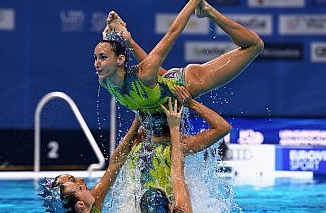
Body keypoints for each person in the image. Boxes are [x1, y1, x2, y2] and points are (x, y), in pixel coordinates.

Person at [40, 87, 231, 213]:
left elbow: (115, 163)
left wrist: (137, 120)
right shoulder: (178, 147)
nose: (82, 181)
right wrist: (189, 105)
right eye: (77, 184)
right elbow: (177, 172)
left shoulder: (137, 148)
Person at [95, 0, 264, 119]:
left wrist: (195, 2)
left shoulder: (142, 74)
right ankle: (127, 37)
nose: (97, 63)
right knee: (154, 76)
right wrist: (118, 38)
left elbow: (172, 34)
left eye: (102, 58)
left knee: (255, 45)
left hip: (190, 81)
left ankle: (207, 11)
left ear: (120, 60)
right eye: (96, 58)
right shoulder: (105, 81)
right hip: (163, 84)